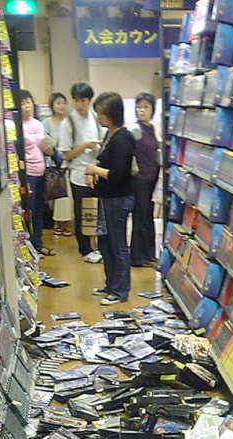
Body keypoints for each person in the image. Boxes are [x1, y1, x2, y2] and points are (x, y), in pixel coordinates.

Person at [85, 91, 135, 305]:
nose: (98, 117)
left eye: (101, 113)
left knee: (118, 245)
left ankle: (120, 291)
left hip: (119, 198)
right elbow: (103, 160)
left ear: (111, 114)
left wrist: (94, 170)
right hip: (106, 198)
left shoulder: (124, 139)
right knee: (105, 244)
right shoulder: (110, 134)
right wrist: (92, 171)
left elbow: (118, 175)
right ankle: (110, 284)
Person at [59, 82, 104, 264]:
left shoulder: (95, 117)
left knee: (97, 211)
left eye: (83, 100)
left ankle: (98, 246)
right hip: (78, 172)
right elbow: (66, 153)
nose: (79, 104)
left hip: (97, 172)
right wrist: (85, 145)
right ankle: (85, 249)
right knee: (82, 211)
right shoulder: (68, 122)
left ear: (90, 100)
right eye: (76, 100)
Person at [18, 89, 55, 257]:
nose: (27, 106)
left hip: (41, 171)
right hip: (28, 173)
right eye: (23, 103)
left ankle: (39, 244)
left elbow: (42, 146)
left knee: (40, 210)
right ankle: (30, 247)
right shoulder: (17, 126)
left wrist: (48, 149)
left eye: (28, 102)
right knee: (29, 211)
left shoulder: (38, 124)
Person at [130, 92, 161, 267]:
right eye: (139, 107)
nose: (141, 111)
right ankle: (137, 256)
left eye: (145, 107)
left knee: (148, 216)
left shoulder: (151, 128)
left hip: (151, 178)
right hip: (139, 179)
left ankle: (149, 254)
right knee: (140, 216)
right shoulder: (135, 129)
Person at [43, 91, 73, 237]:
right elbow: (44, 141)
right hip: (51, 162)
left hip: (67, 161)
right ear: (52, 106)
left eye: (63, 103)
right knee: (56, 194)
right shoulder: (46, 122)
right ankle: (57, 222)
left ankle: (64, 223)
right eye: (58, 103)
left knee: (66, 194)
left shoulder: (69, 121)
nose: (62, 106)